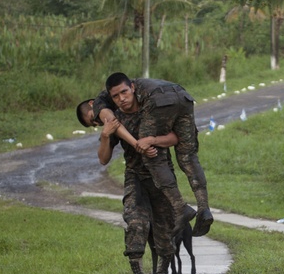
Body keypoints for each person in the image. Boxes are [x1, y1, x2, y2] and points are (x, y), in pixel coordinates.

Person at [77, 72, 213, 237]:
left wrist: (141, 142)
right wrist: (148, 140)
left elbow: (113, 122)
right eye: (94, 124)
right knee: (188, 156)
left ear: (93, 105)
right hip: (183, 97)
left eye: (93, 118)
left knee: (153, 158)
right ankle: (204, 208)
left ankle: (180, 208)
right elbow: (103, 158)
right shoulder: (134, 99)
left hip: (161, 100)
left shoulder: (101, 102)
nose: (98, 122)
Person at [94, 78, 182, 274]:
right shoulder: (117, 120)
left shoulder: (152, 110)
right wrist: (106, 135)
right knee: (135, 222)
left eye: (124, 92)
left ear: (132, 88)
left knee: (164, 226)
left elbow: (175, 137)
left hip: (161, 176)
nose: (121, 99)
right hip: (135, 177)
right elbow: (103, 159)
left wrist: (151, 140)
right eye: (115, 96)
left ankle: (162, 272)